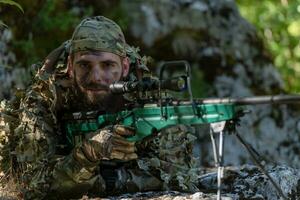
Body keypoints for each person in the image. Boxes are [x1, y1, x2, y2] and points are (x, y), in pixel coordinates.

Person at [0, 16, 199, 199]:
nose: (96, 77)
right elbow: (31, 185)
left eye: (107, 65)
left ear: (125, 67)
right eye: (85, 65)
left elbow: (179, 174)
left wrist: (108, 181)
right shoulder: (46, 96)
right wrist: (87, 154)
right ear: (70, 66)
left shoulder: (148, 95)